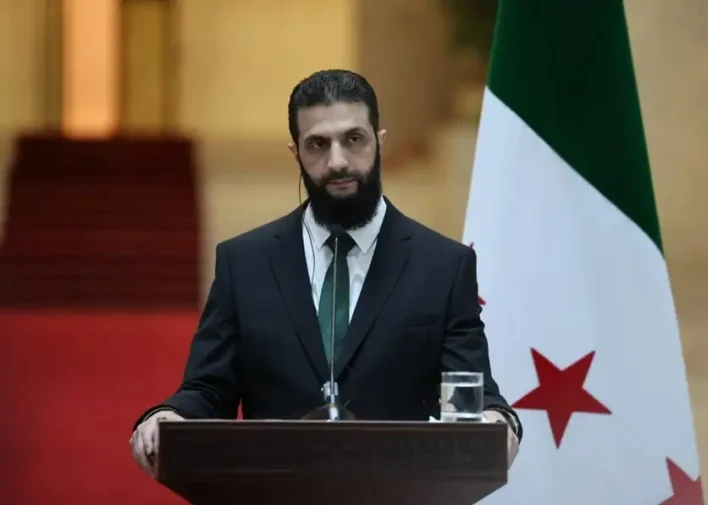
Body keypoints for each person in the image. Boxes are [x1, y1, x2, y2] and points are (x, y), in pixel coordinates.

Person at [130, 69, 522, 477]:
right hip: (275, 489)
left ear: (379, 142)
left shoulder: (443, 266)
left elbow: (471, 394)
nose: (337, 161)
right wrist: (167, 417)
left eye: (354, 139)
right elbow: (208, 391)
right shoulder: (244, 263)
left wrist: (498, 421)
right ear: (296, 153)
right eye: (318, 144)